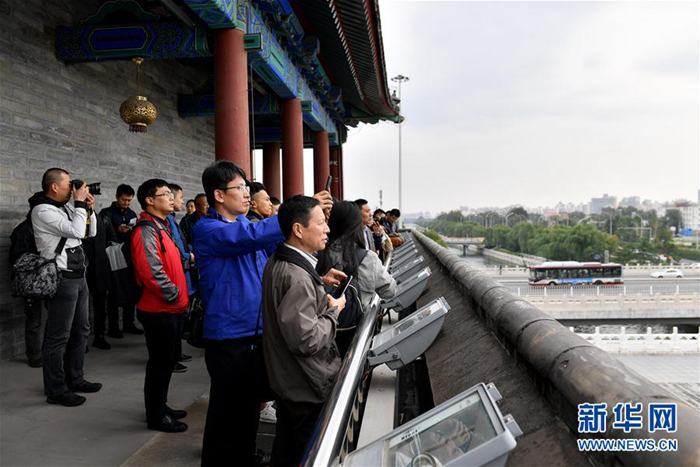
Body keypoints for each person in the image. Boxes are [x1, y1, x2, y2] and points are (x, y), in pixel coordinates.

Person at [194, 161, 335, 466]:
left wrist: (317, 281)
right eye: (240, 188)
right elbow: (251, 235)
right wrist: (300, 211)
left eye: (247, 187)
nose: (247, 193)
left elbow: (279, 274)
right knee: (226, 419)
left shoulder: (248, 229)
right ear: (219, 195)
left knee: (246, 415)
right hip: (229, 339)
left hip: (255, 337)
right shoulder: (209, 230)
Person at [262, 195, 347, 467]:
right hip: (304, 385)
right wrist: (334, 311)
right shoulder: (297, 276)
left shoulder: (280, 260)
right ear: (298, 230)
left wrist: (319, 281)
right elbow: (306, 339)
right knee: (304, 454)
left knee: (285, 451)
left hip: (288, 381)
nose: (327, 229)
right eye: (320, 223)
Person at [32, 168, 101, 406]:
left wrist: (88, 208)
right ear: (54, 186)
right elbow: (75, 230)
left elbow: (89, 232)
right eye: (68, 183)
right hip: (61, 278)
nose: (73, 188)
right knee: (58, 335)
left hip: (79, 276)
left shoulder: (67, 208)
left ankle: (75, 378)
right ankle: (56, 389)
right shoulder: (42, 210)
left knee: (81, 330)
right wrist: (79, 203)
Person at [130, 179, 189, 433]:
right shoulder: (146, 230)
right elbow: (151, 271)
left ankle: (161, 406)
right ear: (149, 200)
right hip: (159, 308)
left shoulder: (162, 225)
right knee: (159, 365)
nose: (171, 197)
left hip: (170, 308)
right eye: (165, 194)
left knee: (166, 363)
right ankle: (156, 416)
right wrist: (173, 293)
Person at [318, 201, 397, 355]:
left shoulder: (318, 252)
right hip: (354, 333)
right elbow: (390, 291)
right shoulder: (368, 258)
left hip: (322, 330)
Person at [10, 191, 47, 367]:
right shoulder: (23, 230)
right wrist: (43, 261)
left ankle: (46, 353)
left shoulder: (42, 227)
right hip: (31, 282)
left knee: (48, 319)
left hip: (46, 280)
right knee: (34, 320)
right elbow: (17, 260)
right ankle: (34, 356)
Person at [101, 184, 143, 337]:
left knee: (130, 289)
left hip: (129, 256)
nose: (126, 203)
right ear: (117, 197)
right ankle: (113, 327)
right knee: (114, 292)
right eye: (124, 200)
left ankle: (128, 323)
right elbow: (101, 235)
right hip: (113, 257)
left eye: (129, 200)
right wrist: (117, 231)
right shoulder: (107, 213)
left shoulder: (132, 214)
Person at [166, 183, 194, 373]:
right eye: (180, 198)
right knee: (174, 319)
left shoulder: (172, 220)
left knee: (181, 316)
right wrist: (187, 256)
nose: (182, 202)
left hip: (183, 272)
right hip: (177, 272)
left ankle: (176, 353)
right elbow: (175, 246)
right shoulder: (166, 222)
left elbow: (181, 242)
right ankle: (171, 357)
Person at [83, 209, 117, 350]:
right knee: (81, 309)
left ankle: (99, 336)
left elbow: (112, 238)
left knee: (100, 307)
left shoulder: (103, 219)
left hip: (101, 269)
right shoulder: (76, 218)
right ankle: (81, 341)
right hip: (84, 269)